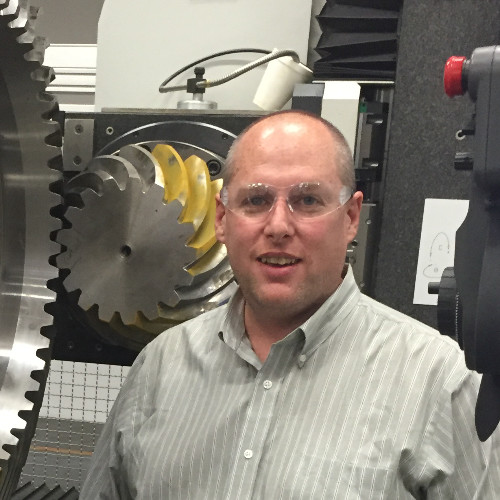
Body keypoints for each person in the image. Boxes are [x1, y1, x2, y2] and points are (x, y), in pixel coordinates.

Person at [81, 110, 500, 499]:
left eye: (308, 200)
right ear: (222, 219)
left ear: (351, 218)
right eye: (256, 201)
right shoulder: (159, 366)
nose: (278, 226)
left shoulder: (440, 383)